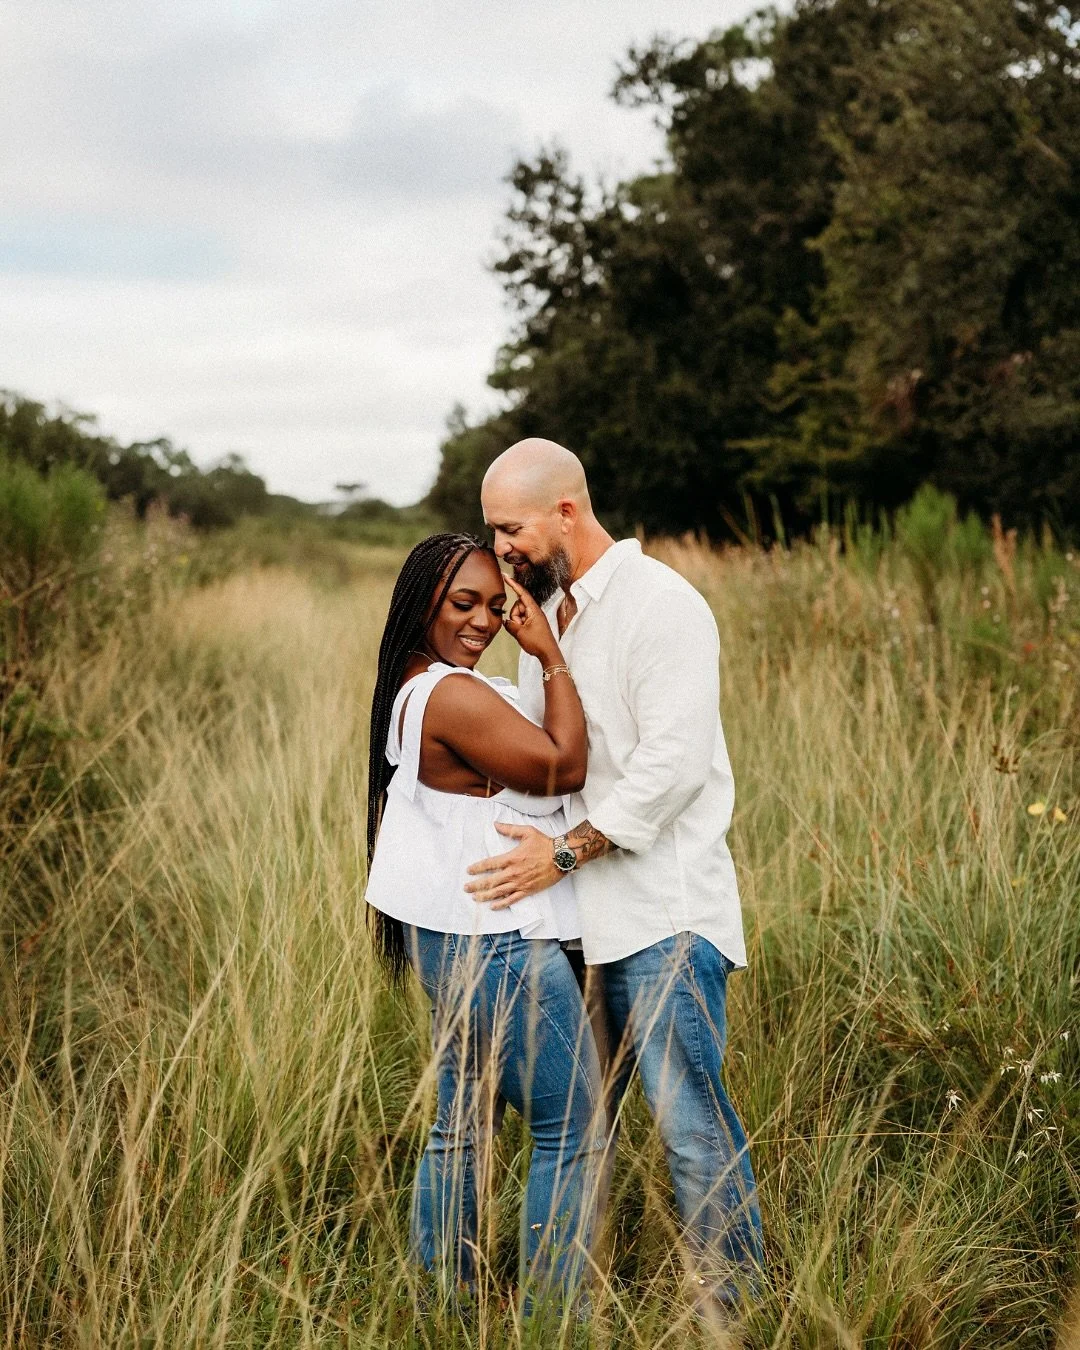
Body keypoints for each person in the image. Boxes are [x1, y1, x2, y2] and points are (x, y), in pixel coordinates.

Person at [465, 441, 764, 1311]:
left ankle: (734, 1309)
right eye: (493, 530)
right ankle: (566, 1309)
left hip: (663, 919)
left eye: (509, 527)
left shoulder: (661, 605)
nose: (502, 546)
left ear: (565, 511)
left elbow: (668, 771)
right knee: (574, 1124)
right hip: (578, 924)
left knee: (690, 1130)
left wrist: (559, 853)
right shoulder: (546, 620)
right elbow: (562, 759)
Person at [364, 531, 604, 1311]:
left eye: (496, 608)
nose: (482, 621)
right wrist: (550, 653)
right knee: (572, 1128)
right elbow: (563, 765)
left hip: (446, 937)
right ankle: (551, 1317)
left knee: (462, 1123)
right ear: (421, 601)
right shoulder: (454, 695)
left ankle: (443, 1298)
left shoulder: (409, 686)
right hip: (496, 942)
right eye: (462, 603)